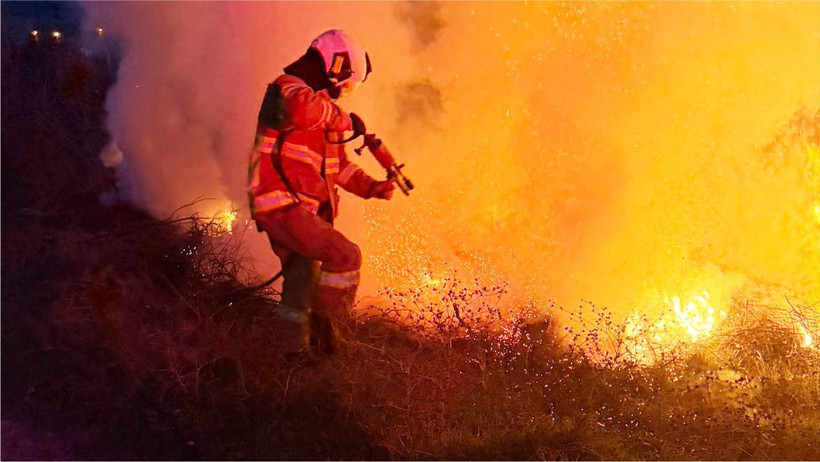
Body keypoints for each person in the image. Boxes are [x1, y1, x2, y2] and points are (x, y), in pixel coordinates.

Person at [248, 30, 394, 355]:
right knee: (345, 256)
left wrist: (373, 187)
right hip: (281, 204)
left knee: (301, 280)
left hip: (293, 208)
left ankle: (287, 354)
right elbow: (304, 111)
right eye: (348, 82)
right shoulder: (285, 90)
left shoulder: (320, 111)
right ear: (336, 65)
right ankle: (329, 339)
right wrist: (344, 120)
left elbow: (339, 168)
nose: (344, 92)